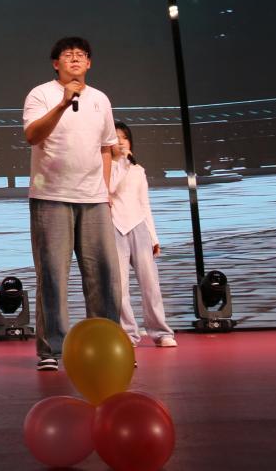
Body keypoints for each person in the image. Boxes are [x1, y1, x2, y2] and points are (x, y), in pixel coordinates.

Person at [22, 37, 122, 372]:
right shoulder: (41, 94)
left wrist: (104, 190)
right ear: (56, 64)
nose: (75, 59)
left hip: (93, 199)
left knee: (104, 276)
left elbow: (106, 147)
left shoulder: (101, 99)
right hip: (51, 198)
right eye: (68, 55)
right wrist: (63, 104)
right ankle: (52, 349)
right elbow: (33, 135)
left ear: (89, 63)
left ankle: (107, 345)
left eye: (81, 55)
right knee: (52, 275)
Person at [110, 122, 177, 348]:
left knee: (150, 284)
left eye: (124, 137)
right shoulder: (106, 168)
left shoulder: (138, 170)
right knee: (120, 287)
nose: (121, 142)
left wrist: (154, 237)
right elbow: (110, 187)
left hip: (138, 226)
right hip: (115, 227)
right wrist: (121, 162)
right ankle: (128, 334)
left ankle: (161, 332)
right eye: (116, 137)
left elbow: (144, 204)